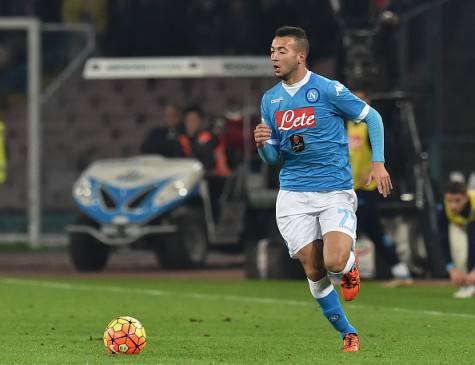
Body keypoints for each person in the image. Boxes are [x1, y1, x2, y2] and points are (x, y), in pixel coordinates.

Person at [254, 26, 392, 352]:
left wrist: (378, 163)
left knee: (333, 261)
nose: (274, 56)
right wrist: (262, 146)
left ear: (300, 55)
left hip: (333, 190)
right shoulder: (269, 100)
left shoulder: (327, 89)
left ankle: (348, 266)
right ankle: (348, 333)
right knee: (313, 268)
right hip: (293, 194)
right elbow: (274, 156)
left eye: (281, 50)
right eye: (272, 50)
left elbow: (373, 118)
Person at [347, 89, 413, 286]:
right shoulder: (348, 124)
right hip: (351, 187)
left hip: (368, 188)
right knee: (374, 230)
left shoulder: (372, 126)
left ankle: (343, 271)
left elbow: (389, 152)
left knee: (351, 228)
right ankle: (400, 271)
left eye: (361, 99)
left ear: (368, 101)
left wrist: (377, 168)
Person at [437, 181, 475, 298]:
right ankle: (467, 284)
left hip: (471, 224)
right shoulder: (442, 207)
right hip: (460, 225)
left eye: (458, 200)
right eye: (450, 201)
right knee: (458, 250)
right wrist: (451, 268)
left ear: (466, 197)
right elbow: (442, 239)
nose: (453, 206)